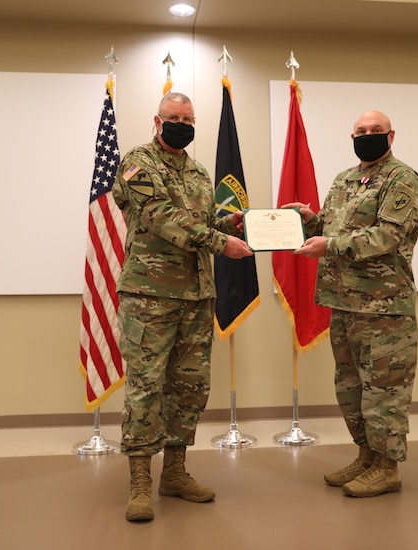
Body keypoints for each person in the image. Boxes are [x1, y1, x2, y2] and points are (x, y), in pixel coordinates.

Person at [112, 92, 254, 522]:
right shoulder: (137, 163)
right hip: (149, 296)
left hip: (195, 295)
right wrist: (220, 242)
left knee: (188, 388)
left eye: (188, 118)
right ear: (158, 120)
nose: (181, 123)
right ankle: (140, 481)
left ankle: (174, 472)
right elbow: (160, 216)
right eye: (173, 117)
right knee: (146, 387)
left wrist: (231, 224)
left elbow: (202, 220)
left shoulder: (197, 170)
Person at [282, 110, 418, 498]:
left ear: (391, 136)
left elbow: (387, 236)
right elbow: (335, 228)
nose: (367, 136)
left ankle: (387, 467)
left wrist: (327, 244)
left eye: (375, 131)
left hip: (384, 307)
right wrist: (311, 220)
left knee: (384, 391)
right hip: (344, 303)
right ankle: (366, 457)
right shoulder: (345, 179)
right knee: (351, 389)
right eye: (361, 132)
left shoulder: (403, 180)